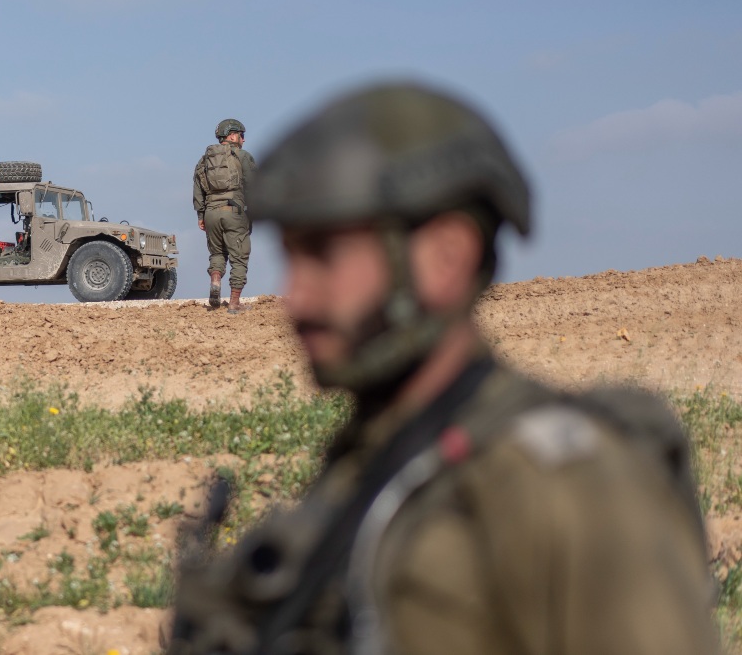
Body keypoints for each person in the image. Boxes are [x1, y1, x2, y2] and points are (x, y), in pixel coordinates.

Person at [167, 82, 718, 654]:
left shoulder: (569, 492)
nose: (297, 297)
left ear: (445, 259)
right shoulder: (374, 470)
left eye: (324, 257)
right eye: (293, 258)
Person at [193, 118, 256, 313]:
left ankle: (215, 280)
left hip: (211, 211)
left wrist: (201, 216)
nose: (243, 140)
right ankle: (234, 303)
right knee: (239, 257)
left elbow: (197, 190)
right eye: (241, 135)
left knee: (217, 253)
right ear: (232, 135)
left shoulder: (204, 160)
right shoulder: (243, 156)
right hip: (234, 210)